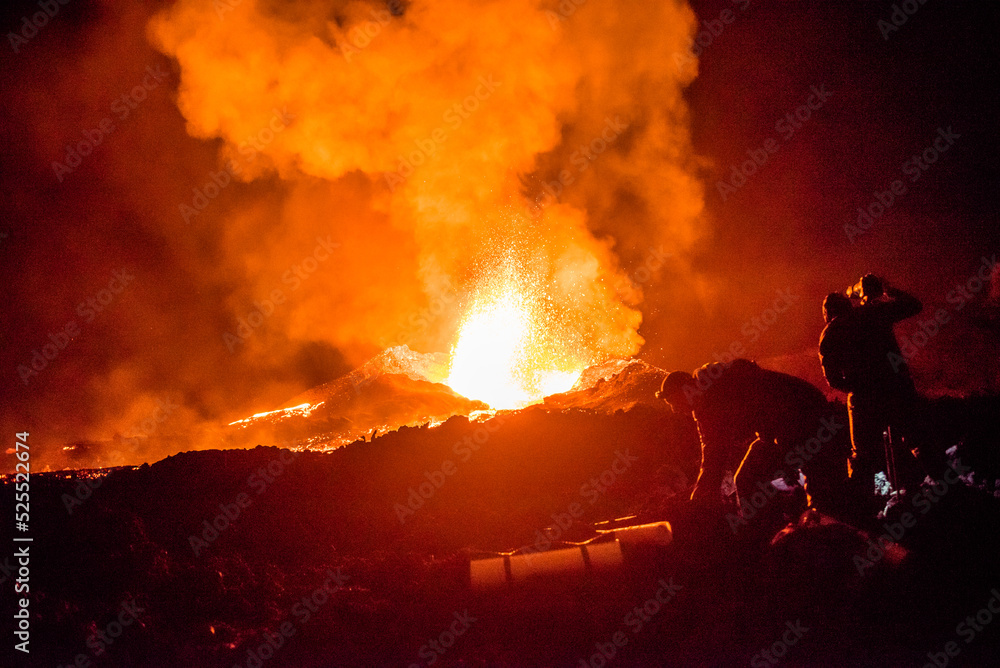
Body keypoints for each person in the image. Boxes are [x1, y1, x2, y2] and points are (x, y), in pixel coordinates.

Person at [657, 359, 847, 517]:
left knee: (818, 487)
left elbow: (715, 451)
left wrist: (701, 496)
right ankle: (779, 525)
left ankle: (819, 527)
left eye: (674, 401)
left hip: (801, 421)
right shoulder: (713, 387)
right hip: (787, 423)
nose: (675, 409)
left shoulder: (712, 397)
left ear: (686, 390)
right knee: (749, 476)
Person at [819, 275, 926, 503]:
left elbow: (833, 380)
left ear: (827, 313)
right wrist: (886, 289)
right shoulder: (872, 312)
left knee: (863, 458)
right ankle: (946, 493)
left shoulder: (830, 334)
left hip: (864, 400)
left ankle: (862, 509)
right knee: (918, 442)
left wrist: (858, 386)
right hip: (898, 389)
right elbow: (914, 305)